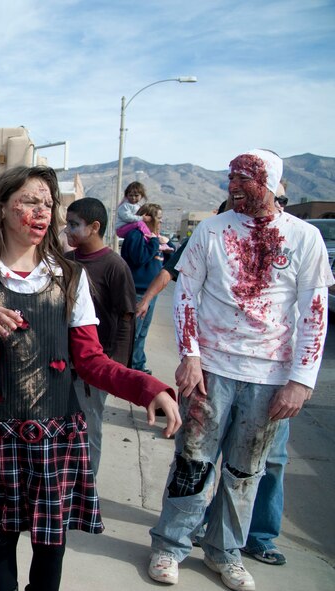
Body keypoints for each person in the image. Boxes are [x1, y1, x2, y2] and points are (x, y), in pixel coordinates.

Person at [0, 166, 181, 591]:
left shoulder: (70, 278)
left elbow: (92, 361)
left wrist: (148, 388)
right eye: (29, 201)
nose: (41, 211)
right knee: (1, 541)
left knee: (51, 548)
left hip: (56, 432)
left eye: (47, 203)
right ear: (1, 210)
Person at [148, 150, 333, 591]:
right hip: (211, 370)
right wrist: (190, 355)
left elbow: (314, 312)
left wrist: (301, 380)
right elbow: (186, 295)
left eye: (244, 179)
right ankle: (171, 545)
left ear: (270, 184)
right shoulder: (212, 230)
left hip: (270, 378)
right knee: (193, 461)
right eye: (230, 178)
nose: (233, 187)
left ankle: (225, 552)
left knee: (246, 470)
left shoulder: (304, 237)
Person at [64, 197, 137, 478]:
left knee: (88, 429)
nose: (68, 230)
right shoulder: (67, 262)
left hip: (94, 367)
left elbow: (126, 317)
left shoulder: (114, 266)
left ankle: (86, 486)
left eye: (74, 224)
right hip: (64, 362)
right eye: (67, 224)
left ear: (94, 227)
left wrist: (114, 365)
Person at [121, 202, 165, 374]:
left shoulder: (152, 236)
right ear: (149, 218)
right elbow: (139, 258)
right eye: (159, 218)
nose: (161, 222)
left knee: (142, 333)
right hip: (138, 293)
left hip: (151, 293)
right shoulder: (136, 235)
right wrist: (154, 242)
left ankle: (138, 365)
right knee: (133, 333)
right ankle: (128, 368)